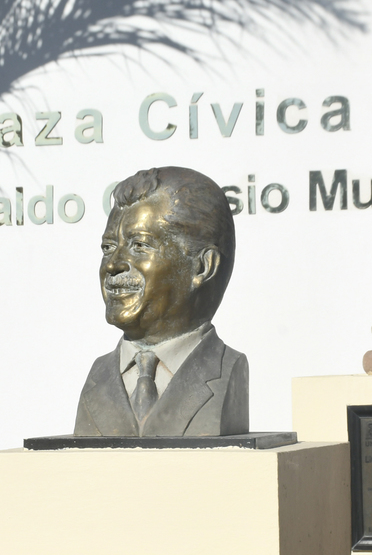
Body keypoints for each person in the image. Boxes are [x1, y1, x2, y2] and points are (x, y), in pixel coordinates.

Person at [74, 166, 248, 437]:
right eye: (108, 248)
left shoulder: (226, 371)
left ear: (202, 267)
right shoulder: (98, 377)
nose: (113, 265)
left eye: (140, 246)